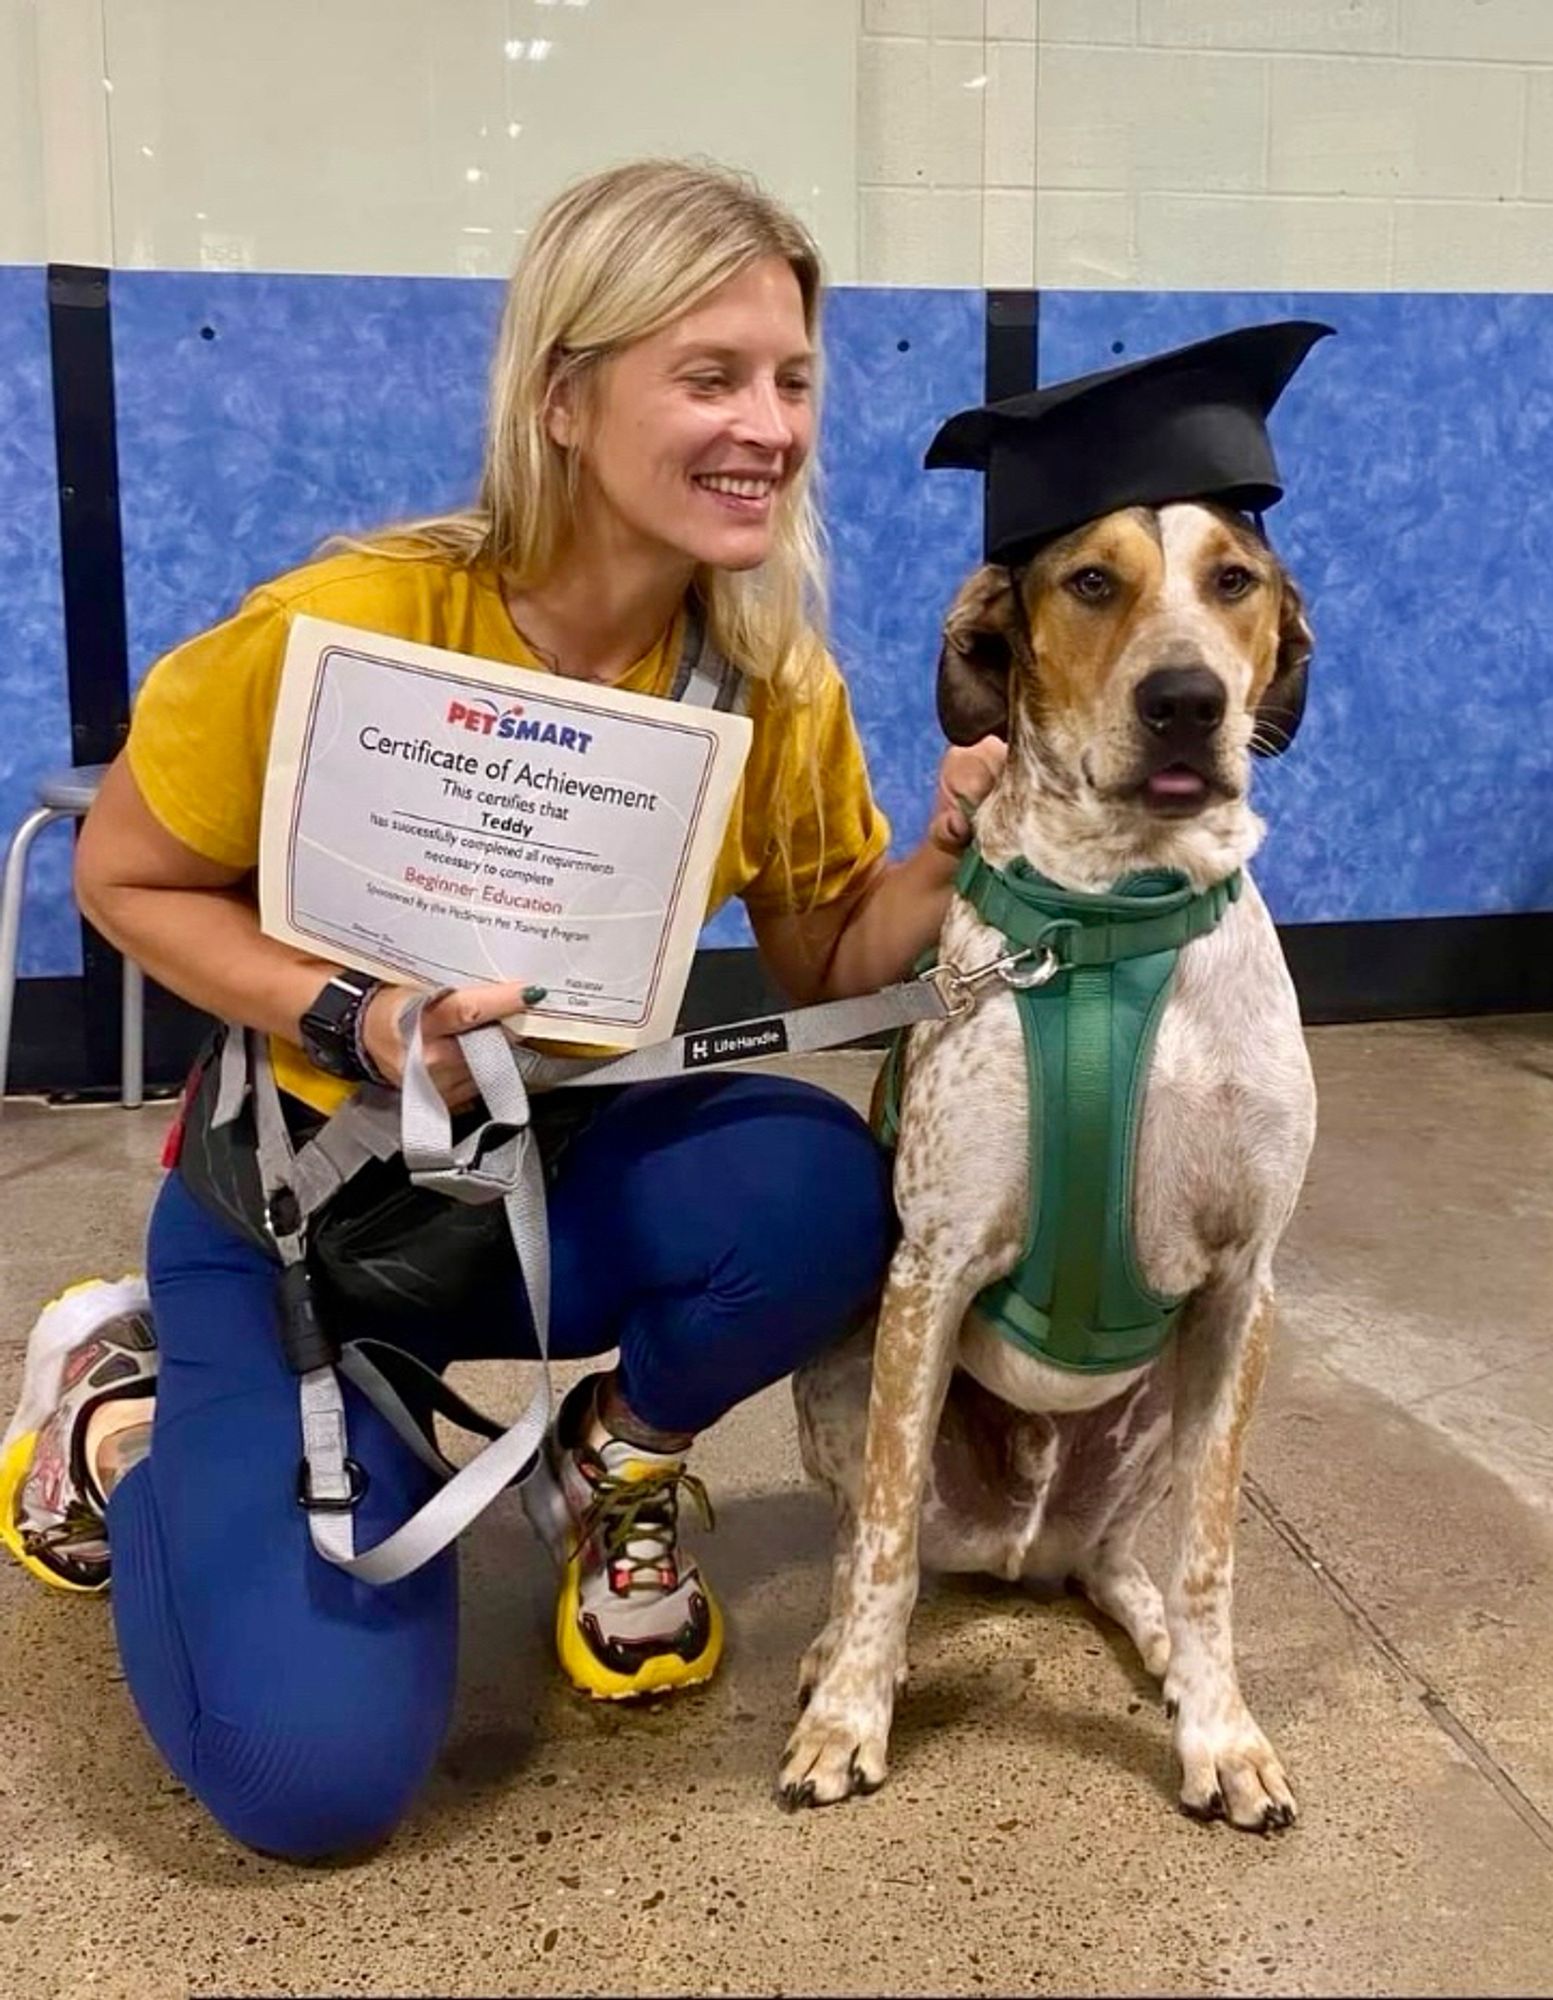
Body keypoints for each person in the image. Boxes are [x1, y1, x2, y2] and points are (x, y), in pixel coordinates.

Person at [0, 159, 1003, 1861]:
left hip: (545, 1189)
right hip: (304, 1226)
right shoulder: (349, 625)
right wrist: (346, 1016)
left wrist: (940, 854)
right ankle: (124, 1406)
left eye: (790, 381)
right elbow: (122, 879)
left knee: (824, 1188)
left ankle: (608, 1460)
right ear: (562, 396)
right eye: (709, 377)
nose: (767, 425)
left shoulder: (769, 676)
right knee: (306, 1785)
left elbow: (837, 961)